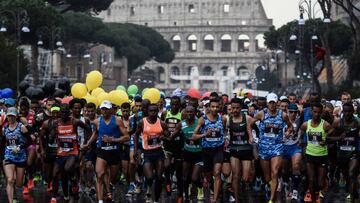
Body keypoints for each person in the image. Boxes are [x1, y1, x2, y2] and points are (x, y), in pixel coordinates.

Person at [249, 93, 293, 203]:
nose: (272, 105)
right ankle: (271, 184)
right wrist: (250, 136)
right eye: (270, 103)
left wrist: (288, 132)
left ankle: (271, 199)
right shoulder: (261, 114)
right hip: (263, 148)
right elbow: (249, 124)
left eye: (274, 102)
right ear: (267, 103)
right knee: (267, 177)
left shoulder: (282, 115)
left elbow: (290, 126)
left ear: (277, 103)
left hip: (277, 147)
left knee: (275, 172)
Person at [83, 100, 129, 203]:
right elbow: (95, 134)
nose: (104, 111)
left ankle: (109, 190)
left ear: (111, 110)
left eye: (106, 109)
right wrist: (88, 144)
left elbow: (127, 137)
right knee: (100, 175)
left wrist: (113, 140)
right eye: (103, 109)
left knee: (113, 178)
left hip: (114, 152)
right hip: (102, 152)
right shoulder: (97, 121)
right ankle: (100, 200)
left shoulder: (117, 120)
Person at [50, 103, 90, 203]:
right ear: (60, 113)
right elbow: (51, 138)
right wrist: (52, 135)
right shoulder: (56, 123)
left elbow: (88, 128)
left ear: (69, 112)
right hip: (61, 153)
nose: (64, 114)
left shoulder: (75, 121)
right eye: (62, 112)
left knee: (67, 168)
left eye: (66, 112)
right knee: (55, 174)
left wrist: (86, 143)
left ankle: (73, 179)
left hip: (73, 152)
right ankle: (56, 196)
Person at [193, 98, 227, 202]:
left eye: (217, 107)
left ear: (219, 107)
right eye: (213, 106)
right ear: (209, 107)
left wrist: (226, 139)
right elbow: (194, 136)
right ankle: (211, 184)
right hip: (206, 151)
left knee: (217, 173)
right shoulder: (203, 119)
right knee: (208, 176)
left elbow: (224, 132)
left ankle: (215, 199)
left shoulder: (223, 119)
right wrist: (204, 134)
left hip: (218, 150)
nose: (215, 109)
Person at [299, 102, 334, 202]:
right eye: (315, 112)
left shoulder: (325, 124)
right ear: (311, 112)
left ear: (321, 112)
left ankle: (317, 192)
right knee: (311, 179)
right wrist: (301, 142)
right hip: (310, 154)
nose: (316, 114)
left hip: (322, 155)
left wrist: (326, 139)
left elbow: (332, 132)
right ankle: (314, 200)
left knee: (320, 184)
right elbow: (301, 131)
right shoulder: (306, 124)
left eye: (319, 112)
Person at [134, 103, 169, 203]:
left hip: (158, 153)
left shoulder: (162, 123)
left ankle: (156, 200)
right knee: (149, 177)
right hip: (147, 153)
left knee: (158, 177)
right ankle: (149, 186)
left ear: (157, 111)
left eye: (155, 111)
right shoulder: (142, 122)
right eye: (151, 111)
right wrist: (136, 150)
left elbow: (168, 136)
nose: (153, 113)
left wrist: (164, 137)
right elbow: (136, 135)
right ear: (148, 112)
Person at [330, 102, 360, 201]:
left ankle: (351, 199)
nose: (347, 114)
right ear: (343, 111)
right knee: (348, 178)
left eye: (349, 111)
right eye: (345, 111)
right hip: (342, 155)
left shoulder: (358, 122)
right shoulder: (338, 122)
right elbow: (327, 138)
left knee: (351, 174)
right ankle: (353, 190)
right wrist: (339, 137)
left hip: (353, 154)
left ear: (353, 112)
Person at [227, 98, 254, 203]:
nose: (235, 110)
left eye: (237, 108)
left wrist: (252, 137)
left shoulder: (247, 118)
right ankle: (237, 199)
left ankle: (241, 189)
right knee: (236, 176)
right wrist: (226, 139)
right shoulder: (228, 119)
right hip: (234, 150)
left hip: (246, 150)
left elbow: (256, 128)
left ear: (241, 108)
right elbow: (224, 132)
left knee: (246, 178)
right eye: (233, 108)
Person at [2, 107, 29, 203]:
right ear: (7, 116)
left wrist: (19, 148)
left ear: (16, 116)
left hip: (20, 156)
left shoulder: (21, 127)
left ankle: (25, 177)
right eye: (9, 116)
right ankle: (11, 200)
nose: (11, 118)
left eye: (13, 116)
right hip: (9, 156)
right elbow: (3, 143)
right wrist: (2, 157)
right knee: (10, 179)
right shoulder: (4, 128)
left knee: (19, 184)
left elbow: (29, 141)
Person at [161, 96, 183, 200]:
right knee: (166, 165)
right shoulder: (165, 113)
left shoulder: (182, 114)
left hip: (179, 145)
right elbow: (161, 125)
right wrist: (165, 135)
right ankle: (168, 182)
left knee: (179, 172)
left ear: (179, 105)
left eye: (176, 104)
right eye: (173, 104)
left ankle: (179, 194)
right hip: (168, 144)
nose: (174, 106)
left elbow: (183, 128)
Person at [281, 103, 302, 200]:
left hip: (295, 147)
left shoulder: (300, 121)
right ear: (287, 111)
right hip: (284, 147)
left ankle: (295, 191)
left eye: (295, 112)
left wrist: (301, 140)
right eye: (291, 112)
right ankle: (286, 183)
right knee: (285, 170)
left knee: (296, 167)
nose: (293, 114)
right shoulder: (282, 120)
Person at [39, 104, 61, 194]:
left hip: (59, 151)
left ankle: (54, 188)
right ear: (51, 113)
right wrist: (42, 150)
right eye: (53, 113)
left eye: (57, 113)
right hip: (49, 151)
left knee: (55, 173)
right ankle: (49, 183)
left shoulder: (63, 123)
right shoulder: (46, 123)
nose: (55, 115)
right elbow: (41, 137)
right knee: (48, 174)